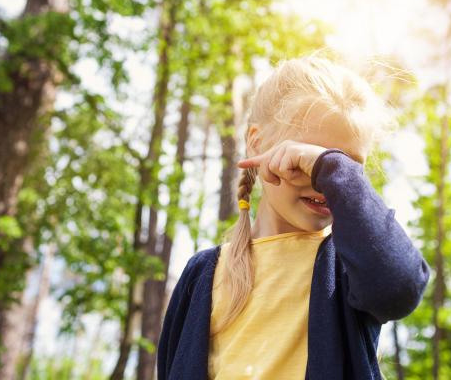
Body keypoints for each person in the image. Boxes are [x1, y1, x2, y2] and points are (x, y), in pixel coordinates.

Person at [157, 55, 431, 380]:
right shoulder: (202, 272)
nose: (322, 179)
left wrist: (331, 168)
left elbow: (397, 289)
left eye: (345, 165)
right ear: (257, 142)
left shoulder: (346, 267)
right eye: (307, 155)